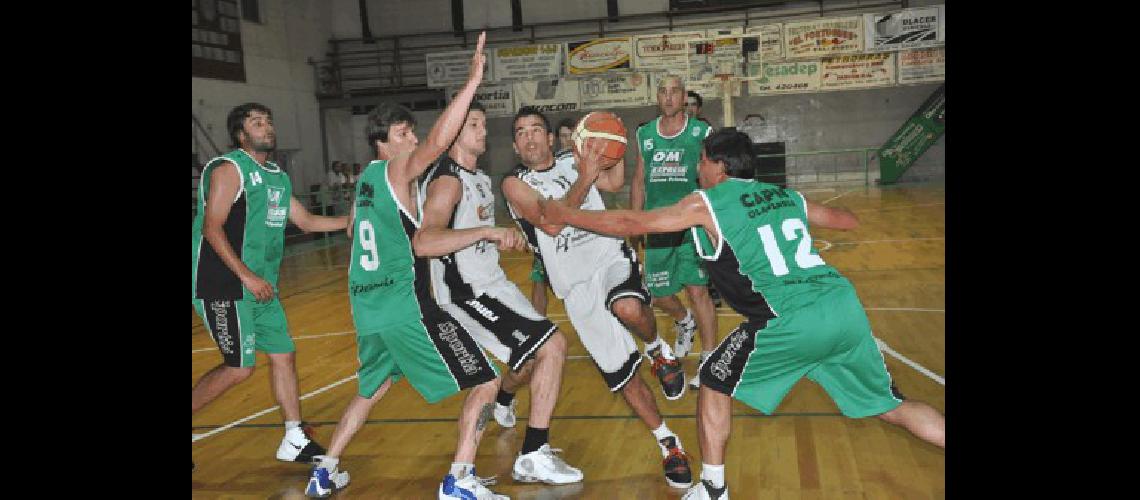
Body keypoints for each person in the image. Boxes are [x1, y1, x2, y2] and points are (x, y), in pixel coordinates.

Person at [539, 129, 947, 500]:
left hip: (787, 318)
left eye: (701, 160)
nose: (698, 168)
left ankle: (714, 488)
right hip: (842, 308)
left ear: (718, 166)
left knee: (714, 380)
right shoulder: (786, 196)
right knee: (892, 406)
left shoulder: (707, 202)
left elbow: (632, 221)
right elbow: (846, 220)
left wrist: (567, 214)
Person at [303, 33, 513, 500]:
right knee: (487, 379)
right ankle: (459, 479)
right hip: (405, 306)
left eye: (411, 132)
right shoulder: (395, 171)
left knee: (370, 390)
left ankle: (326, 469)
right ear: (382, 143)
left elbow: (355, 230)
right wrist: (472, 80)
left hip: (366, 311)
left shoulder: (362, 183)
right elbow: (441, 138)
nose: (413, 140)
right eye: (403, 134)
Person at [502, 106, 693, 489]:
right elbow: (552, 223)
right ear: (515, 145)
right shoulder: (515, 184)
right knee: (624, 377)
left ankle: (657, 348)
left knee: (627, 306)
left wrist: (613, 141)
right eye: (522, 133)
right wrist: (586, 176)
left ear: (551, 137)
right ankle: (669, 443)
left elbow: (614, 180)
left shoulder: (575, 158)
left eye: (537, 129)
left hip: (608, 256)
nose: (531, 137)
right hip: (574, 286)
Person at [417, 99, 583, 485]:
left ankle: (465, 470)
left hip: (492, 286)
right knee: (553, 346)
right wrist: (488, 232)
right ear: (454, 130)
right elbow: (424, 241)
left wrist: (503, 241)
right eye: (473, 123)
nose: (483, 130)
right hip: (467, 295)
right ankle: (532, 454)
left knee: (506, 373)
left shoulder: (476, 177)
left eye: (482, 123)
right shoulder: (448, 179)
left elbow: (469, 239)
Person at [191, 102, 348, 471]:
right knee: (239, 368)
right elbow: (211, 228)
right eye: (256, 122)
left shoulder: (276, 176)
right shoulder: (230, 169)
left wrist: (351, 219)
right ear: (241, 135)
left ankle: (294, 437)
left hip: (261, 287)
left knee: (283, 354)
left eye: (269, 120)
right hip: (225, 285)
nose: (267, 126)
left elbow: (306, 221)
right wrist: (246, 275)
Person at [632, 75, 719, 390]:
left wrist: (713, 218)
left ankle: (709, 359)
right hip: (657, 225)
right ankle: (685, 321)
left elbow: (713, 176)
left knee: (699, 292)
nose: (668, 98)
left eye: (674, 92)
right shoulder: (644, 134)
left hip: (691, 225)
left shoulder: (701, 132)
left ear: (685, 98)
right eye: (663, 92)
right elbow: (639, 180)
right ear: (657, 97)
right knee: (655, 293)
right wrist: (636, 222)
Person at [529, 116, 577, 314]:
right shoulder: (549, 164)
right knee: (538, 278)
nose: (566, 140)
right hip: (552, 233)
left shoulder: (580, 163)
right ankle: (537, 324)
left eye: (570, 136)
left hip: (578, 232)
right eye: (563, 136)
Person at [685, 90, 722, 309]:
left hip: (704, 196)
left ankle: (714, 287)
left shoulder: (706, 132)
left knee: (710, 241)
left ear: (698, 109)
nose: (689, 108)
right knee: (690, 247)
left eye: (693, 105)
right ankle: (696, 285)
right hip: (683, 197)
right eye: (686, 104)